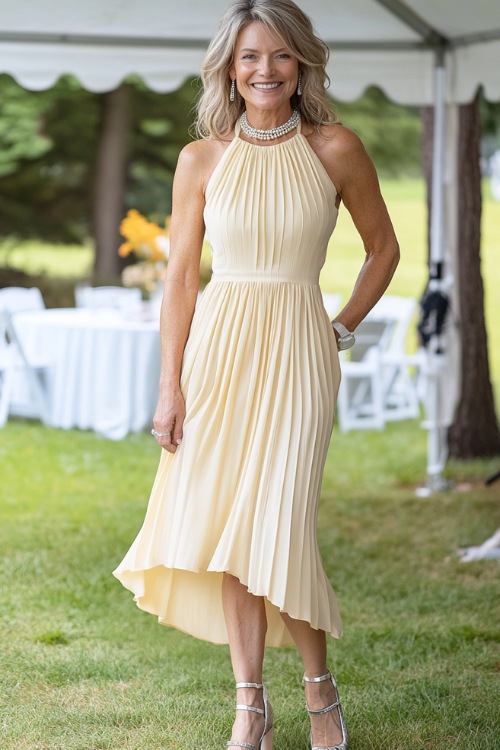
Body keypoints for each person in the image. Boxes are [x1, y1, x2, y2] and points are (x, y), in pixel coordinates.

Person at [113, 1, 399, 748]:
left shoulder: (335, 146)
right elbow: (179, 280)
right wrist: (169, 385)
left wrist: (339, 327)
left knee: (281, 522)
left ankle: (319, 695)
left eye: (278, 55)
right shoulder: (200, 158)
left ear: (301, 61)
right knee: (229, 531)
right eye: (248, 57)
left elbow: (383, 249)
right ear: (228, 70)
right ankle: (250, 707)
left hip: (301, 350)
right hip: (220, 351)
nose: (264, 70)